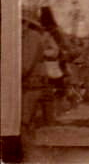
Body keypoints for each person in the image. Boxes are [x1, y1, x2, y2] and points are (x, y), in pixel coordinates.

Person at [21, 8, 50, 144]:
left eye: (21, 23)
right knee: (26, 120)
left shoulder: (31, 37)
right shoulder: (27, 36)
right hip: (30, 83)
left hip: (31, 83)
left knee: (23, 120)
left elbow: (26, 64)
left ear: (26, 23)